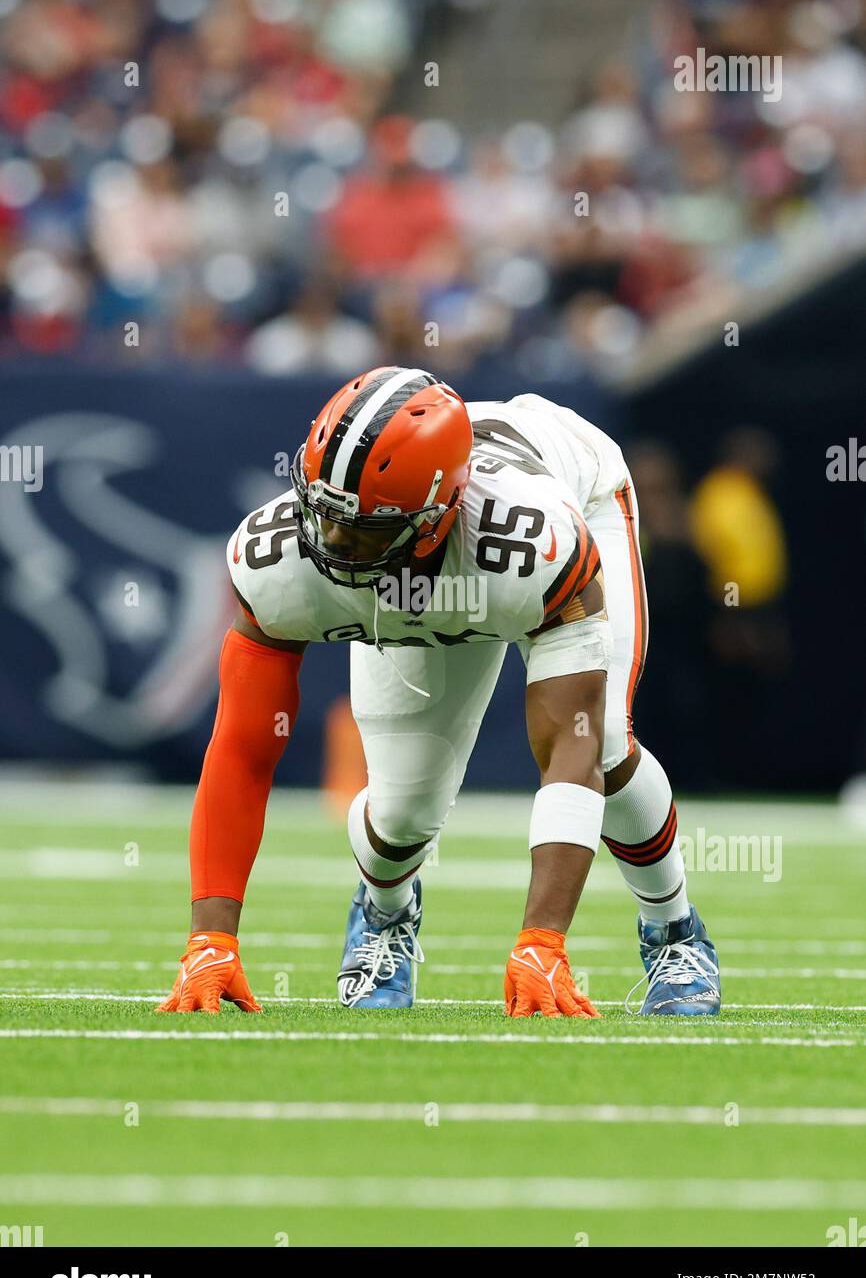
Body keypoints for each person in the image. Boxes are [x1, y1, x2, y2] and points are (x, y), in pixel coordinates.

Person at [157, 368, 720, 1018]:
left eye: (361, 532)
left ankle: (674, 931)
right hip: (440, 562)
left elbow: (573, 742)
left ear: (430, 523)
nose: (331, 545)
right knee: (399, 813)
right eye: (324, 515)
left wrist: (542, 940)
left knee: (610, 745)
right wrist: (210, 939)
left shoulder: (534, 544)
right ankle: (385, 917)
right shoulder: (280, 554)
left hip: (571, 496)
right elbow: (243, 748)